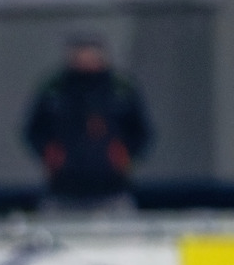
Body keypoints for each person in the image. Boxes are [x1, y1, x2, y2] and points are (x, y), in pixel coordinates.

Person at [23, 34, 153, 212]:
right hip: (63, 188)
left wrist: (123, 155)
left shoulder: (120, 89)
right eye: (80, 54)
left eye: (90, 54)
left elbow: (141, 132)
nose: (85, 59)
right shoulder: (55, 89)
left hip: (112, 188)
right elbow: (34, 130)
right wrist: (51, 154)